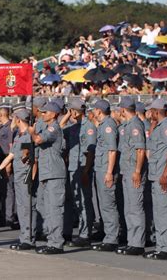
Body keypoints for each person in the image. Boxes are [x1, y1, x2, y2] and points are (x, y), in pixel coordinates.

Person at [29, 101, 66, 255]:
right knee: (47, 209)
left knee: (55, 209)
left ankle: (56, 243)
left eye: (46, 112)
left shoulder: (54, 127)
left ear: (54, 114)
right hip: (47, 173)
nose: (43, 114)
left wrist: (32, 132)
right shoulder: (46, 127)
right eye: (42, 112)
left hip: (54, 173)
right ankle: (52, 240)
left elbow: (38, 140)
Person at [144, 99, 167, 260]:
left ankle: (166, 249)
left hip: (162, 176)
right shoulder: (158, 126)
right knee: (158, 213)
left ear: (157, 111)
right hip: (155, 175)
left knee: (164, 213)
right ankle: (161, 246)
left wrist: (165, 174)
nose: (149, 113)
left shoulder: (166, 127)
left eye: (151, 111)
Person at [60, 98, 96, 247]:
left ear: (76, 111)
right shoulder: (75, 127)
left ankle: (85, 234)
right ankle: (82, 231)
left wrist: (86, 171)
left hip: (82, 168)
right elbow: (60, 128)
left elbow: (90, 152)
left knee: (84, 202)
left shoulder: (89, 127)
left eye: (71, 110)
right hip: (73, 168)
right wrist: (69, 115)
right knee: (77, 201)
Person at [0, 109, 36, 250]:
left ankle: (28, 238)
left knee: (27, 207)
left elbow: (25, 155)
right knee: (21, 207)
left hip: (25, 176)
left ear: (19, 120)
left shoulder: (27, 136)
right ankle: (24, 236)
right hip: (18, 176)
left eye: (14, 118)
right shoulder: (18, 135)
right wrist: (0, 168)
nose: (12, 120)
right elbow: (12, 154)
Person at [115, 97, 146, 256]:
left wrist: (137, 171)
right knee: (129, 209)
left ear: (123, 109)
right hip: (126, 170)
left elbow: (140, 150)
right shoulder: (127, 124)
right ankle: (132, 241)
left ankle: (137, 243)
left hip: (133, 171)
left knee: (135, 208)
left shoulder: (135, 125)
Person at [91, 100, 119, 252]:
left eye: (95, 110)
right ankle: (109, 236)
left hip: (105, 170)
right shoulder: (103, 124)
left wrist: (109, 172)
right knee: (104, 205)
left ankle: (111, 239)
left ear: (99, 111)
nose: (93, 112)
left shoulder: (108, 125)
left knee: (108, 205)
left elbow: (112, 150)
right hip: (101, 168)